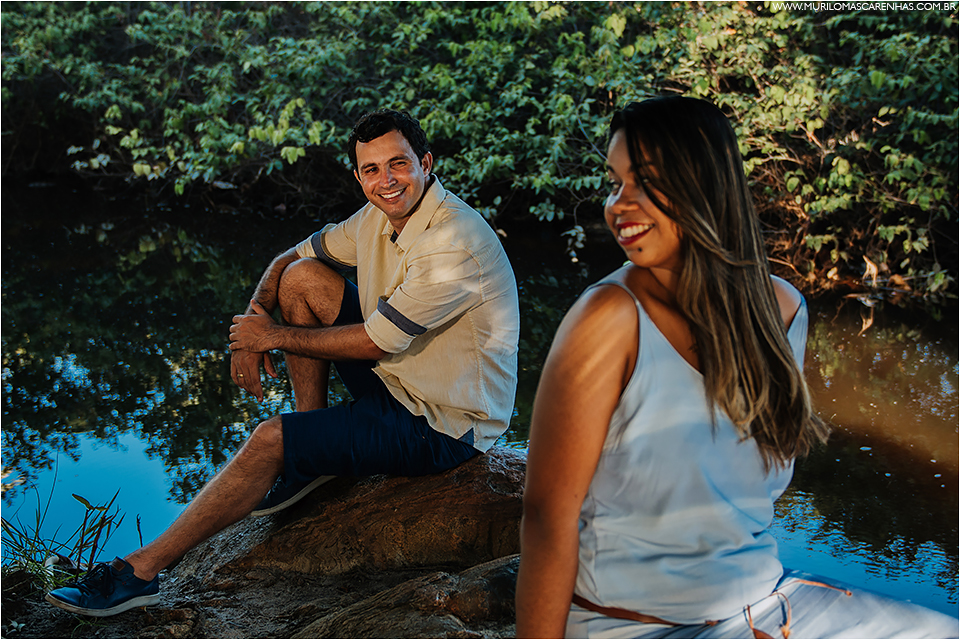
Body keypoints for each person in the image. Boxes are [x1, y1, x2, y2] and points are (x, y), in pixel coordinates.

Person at [46, 108, 520, 618]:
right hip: (402, 383)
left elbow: (375, 344)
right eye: (371, 169)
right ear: (359, 176)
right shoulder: (378, 215)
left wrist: (268, 335)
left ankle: (138, 573)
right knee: (302, 279)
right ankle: (309, 460)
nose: (386, 181)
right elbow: (289, 262)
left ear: (426, 163)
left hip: (444, 424)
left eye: (398, 165)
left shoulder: (453, 243)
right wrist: (250, 326)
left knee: (270, 437)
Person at [515, 97, 958, 638]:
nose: (618, 205)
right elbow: (545, 516)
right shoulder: (607, 317)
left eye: (645, 181)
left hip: (763, 609)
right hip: (633, 627)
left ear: (705, 184)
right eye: (615, 182)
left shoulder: (784, 309)